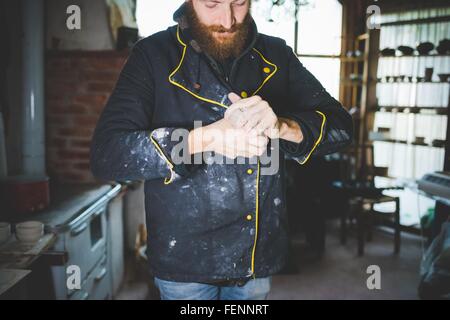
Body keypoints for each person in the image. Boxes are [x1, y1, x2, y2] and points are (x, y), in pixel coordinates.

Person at [91, 0, 353, 300]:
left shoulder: (277, 54)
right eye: (212, 4)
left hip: (255, 258)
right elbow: (108, 154)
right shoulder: (152, 54)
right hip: (184, 262)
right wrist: (205, 139)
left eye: (239, 3)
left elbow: (342, 127)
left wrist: (282, 126)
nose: (228, 20)